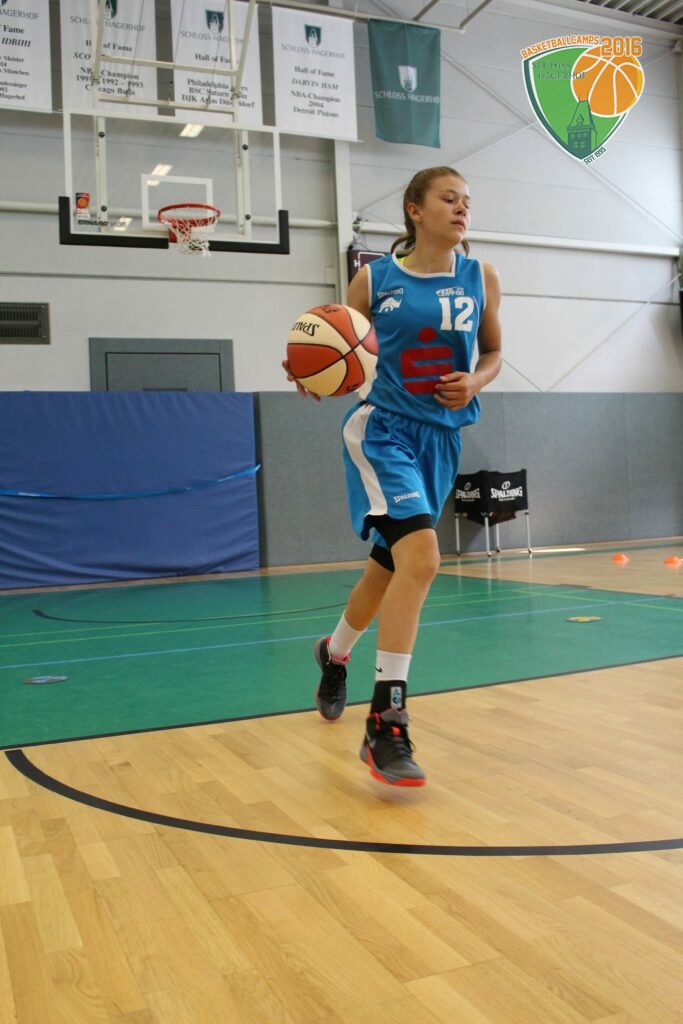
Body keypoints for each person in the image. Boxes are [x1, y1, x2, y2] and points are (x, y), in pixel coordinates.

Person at [283, 166, 502, 787]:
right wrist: (307, 367)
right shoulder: (375, 279)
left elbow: (492, 353)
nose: (462, 208)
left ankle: (334, 654)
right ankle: (387, 721)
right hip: (382, 431)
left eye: (467, 200)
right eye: (448, 198)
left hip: (442, 440)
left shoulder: (480, 277)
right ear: (415, 209)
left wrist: (475, 381)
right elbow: (332, 339)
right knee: (424, 559)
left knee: (386, 572)